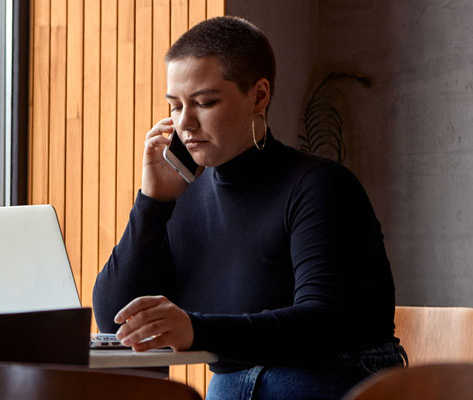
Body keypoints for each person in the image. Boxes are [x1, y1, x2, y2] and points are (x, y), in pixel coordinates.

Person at [92, 16, 407, 400]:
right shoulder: (181, 196)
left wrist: (196, 330)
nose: (185, 123)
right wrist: (151, 204)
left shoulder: (320, 185)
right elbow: (116, 322)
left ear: (259, 96)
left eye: (204, 102)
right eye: (174, 106)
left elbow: (325, 322)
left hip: (335, 381)